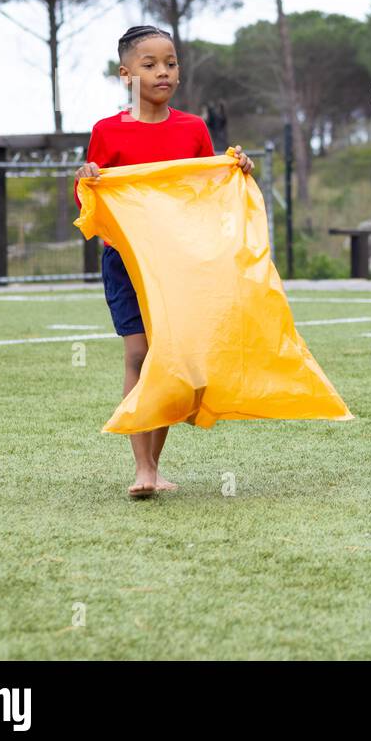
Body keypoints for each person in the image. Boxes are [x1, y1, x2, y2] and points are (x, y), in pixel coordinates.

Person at [74, 25, 254, 497]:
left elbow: (205, 192)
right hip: (126, 262)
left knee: (169, 355)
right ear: (126, 74)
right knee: (138, 353)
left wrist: (234, 170)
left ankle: (154, 465)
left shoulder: (193, 128)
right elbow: (91, 204)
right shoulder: (107, 131)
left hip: (180, 265)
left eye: (171, 63)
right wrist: (87, 178)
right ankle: (142, 469)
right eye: (150, 64)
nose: (163, 72)